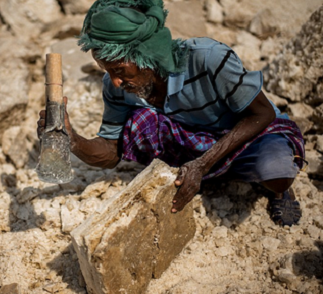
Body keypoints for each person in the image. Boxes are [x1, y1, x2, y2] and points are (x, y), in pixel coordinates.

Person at [37, 0, 305, 226]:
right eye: (107, 71)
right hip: (191, 142)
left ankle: (265, 186)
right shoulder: (116, 87)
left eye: (119, 70)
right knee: (140, 122)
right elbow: (110, 153)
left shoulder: (208, 57)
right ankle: (214, 173)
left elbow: (262, 114)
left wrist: (202, 164)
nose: (114, 81)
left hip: (244, 133)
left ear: (146, 55)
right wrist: (71, 139)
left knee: (276, 172)